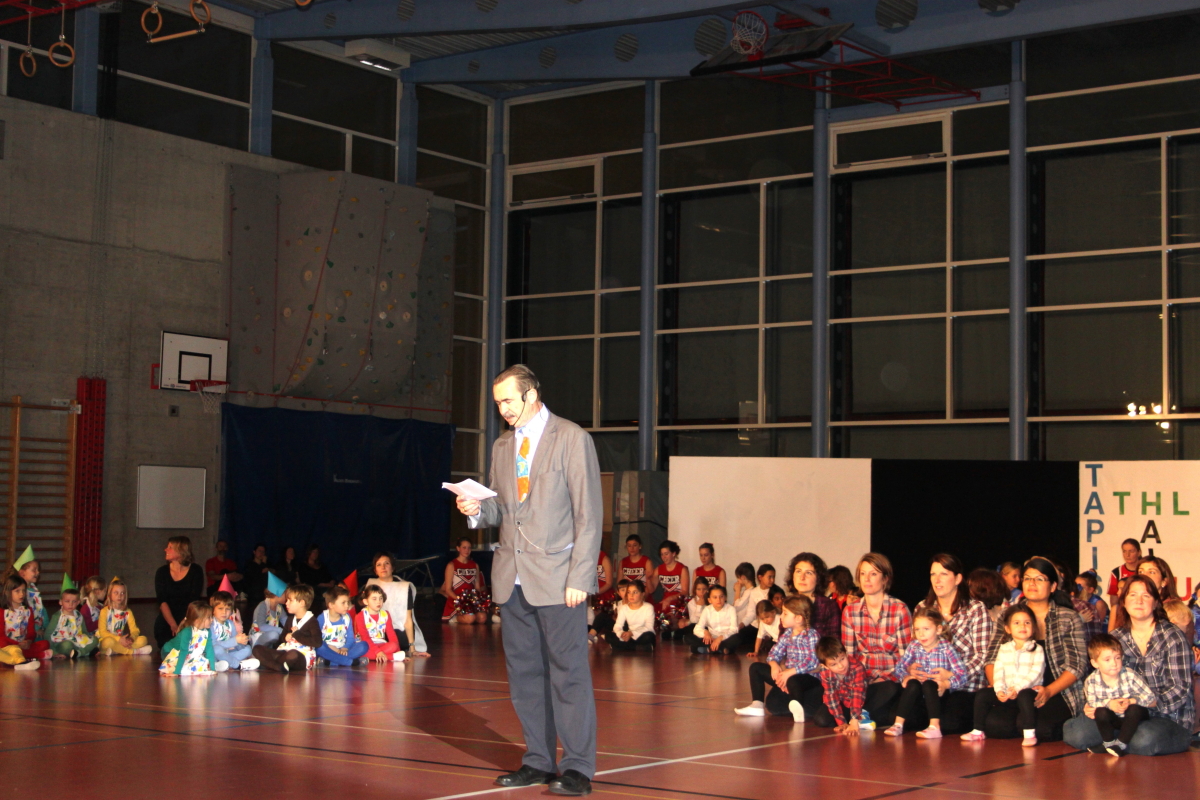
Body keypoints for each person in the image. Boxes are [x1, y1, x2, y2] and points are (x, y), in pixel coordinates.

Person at [455, 364, 603, 797]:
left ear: (531, 395)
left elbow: (589, 514)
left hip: (559, 579)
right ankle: (538, 760)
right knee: (524, 676)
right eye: (497, 403)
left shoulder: (571, 438)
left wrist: (580, 576)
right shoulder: (503, 446)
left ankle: (577, 767)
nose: (502, 409)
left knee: (568, 675)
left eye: (508, 400)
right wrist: (476, 510)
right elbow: (502, 509)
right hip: (512, 578)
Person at [1064, 575, 1195, 755]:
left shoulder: (1173, 637)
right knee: (1077, 733)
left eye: (1146, 596)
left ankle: (1117, 741)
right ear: (1124, 602)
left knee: (1144, 739)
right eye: (1133, 595)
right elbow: (1099, 678)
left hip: (1166, 717)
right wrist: (1095, 704)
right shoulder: (1116, 638)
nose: (1139, 601)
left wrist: (1146, 702)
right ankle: (1119, 740)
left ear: (1156, 603)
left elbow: (1179, 690)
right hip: (1121, 715)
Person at [980, 557, 1086, 742]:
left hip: (1055, 691)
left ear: (1053, 586)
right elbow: (991, 659)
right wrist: (1000, 689)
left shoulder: (1068, 618)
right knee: (996, 726)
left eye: (1040, 579)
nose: (1032, 583)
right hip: (1015, 689)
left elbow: (1077, 666)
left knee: (1040, 729)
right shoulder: (1009, 614)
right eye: (1028, 578)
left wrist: (1049, 691)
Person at [914, 554, 994, 735]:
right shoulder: (922, 608)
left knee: (950, 723)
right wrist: (914, 668)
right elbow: (916, 649)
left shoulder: (975, 609)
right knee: (907, 716)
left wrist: (952, 677)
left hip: (966, 687)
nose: (937, 580)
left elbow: (982, 656)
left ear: (958, 579)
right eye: (933, 574)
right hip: (931, 685)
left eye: (943, 574)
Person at [841, 553, 911, 729]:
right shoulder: (850, 612)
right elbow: (849, 657)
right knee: (823, 718)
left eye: (873, 574)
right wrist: (857, 682)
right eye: (863, 574)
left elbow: (907, 659)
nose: (867, 579)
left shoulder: (899, 610)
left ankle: (857, 714)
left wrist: (887, 678)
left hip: (892, 680)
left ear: (885, 578)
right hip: (863, 681)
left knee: (889, 689)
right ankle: (863, 714)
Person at [961, 605, 1044, 744]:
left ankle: (1029, 734)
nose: (1022, 626)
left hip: (1027, 691)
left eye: (1027, 622)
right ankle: (978, 730)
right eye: (1016, 623)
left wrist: (1017, 688)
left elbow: (1036, 673)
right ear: (1007, 629)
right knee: (982, 694)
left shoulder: (1037, 649)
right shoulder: (1004, 648)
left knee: (1025, 696)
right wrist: (999, 690)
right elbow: (999, 671)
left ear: (1033, 628)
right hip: (1007, 692)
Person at [735, 595, 821, 722]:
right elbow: (774, 653)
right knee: (756, 668)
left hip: (807, 678)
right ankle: (757, 704)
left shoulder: (811, 635)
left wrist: (789, 673)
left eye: (785, 614)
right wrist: (774, 665)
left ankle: (798, 708)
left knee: (793, 680)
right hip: (788, 676)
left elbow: (812, 661)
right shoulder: (787, 634)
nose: (781, 617)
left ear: (798, 618)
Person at [885, 607, 966, 739]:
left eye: (926, 629)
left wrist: (946, 683)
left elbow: (962, 674)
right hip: (919, 695)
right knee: (913, 683)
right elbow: (899, 667)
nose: (921, 634)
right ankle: (898, 724)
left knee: (929, 684)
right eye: (917, 630)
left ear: (938, 629)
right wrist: (906, 676)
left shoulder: (946, 648)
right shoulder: (914, 646)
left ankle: (934, 727)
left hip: (938, 693)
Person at [1081, 633, 1157, 757]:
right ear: (1095, 663)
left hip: (1133, 717)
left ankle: (1121, 744)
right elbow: (1092, 702)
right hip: (1115, 718)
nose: (1114, 663)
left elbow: (1151, 698)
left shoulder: (1130, 675)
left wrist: (1131, 701)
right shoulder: (1091, 681)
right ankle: (1108, 743)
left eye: (1117, 658)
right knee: (1100, 712)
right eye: (1107, 660)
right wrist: (1109, 704)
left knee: (1134, 709)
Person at [367, 553, 428, 656]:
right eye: (379, 565)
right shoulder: (371, 586)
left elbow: (408, 619)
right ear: (375, 570)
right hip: (376, 631)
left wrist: (412, 648)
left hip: (397, 629)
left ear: (392, 567)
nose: (383, 567)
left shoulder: (404, 587)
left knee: (398, 642)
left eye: (387, 563)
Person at [252, 584, 321, 673]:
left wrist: (297, 634)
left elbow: (317, 642)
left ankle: (273, 665)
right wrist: (285, 637)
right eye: (287, 600)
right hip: (285, 651)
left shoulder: (312, 621)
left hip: (302, 655)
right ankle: (279, 667)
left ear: (302, 603)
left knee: (293, 654)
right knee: (257, 649)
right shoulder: (290, 619)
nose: (286, 603)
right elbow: (281, 638)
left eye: (290, 600)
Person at [154, 536, 205, 649]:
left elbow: (194, 600)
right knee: (166, 644)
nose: (165, 549)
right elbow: (162, 601)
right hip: (168, 617)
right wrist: (173, 624)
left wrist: (184, 623)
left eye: (170, 547)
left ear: (181, 550)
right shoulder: (162, 572)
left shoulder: (196, 570)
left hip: (188, 616)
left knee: (191, 643)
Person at [816, 637, 870, 734]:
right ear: (825, 666)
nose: (841, 666)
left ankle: (860, 716)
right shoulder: (825, 672)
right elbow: (831, 696)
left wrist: (854, 721)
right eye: (833, 664)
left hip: (859, 702)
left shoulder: (857, 667)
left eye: (842, 659)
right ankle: (850, 719)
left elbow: (857, 694)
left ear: (846, 654)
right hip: (842, 701)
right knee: (821, 720)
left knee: (887, 689)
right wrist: (841, 722)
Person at [787, 552, 841, 639]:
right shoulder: (788, 604)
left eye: (808, 573)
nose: (802, 577)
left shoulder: (828, 606)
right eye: (798, 571)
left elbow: (834, 642)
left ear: (818, 578)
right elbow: (781, 640)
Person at [1, 574, 50, 665]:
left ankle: (18, 656)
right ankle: (35, 656)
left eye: (23, 590)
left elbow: (31, 632)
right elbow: (1, 636)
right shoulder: (2, 611)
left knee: (45, 644)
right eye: (17, 591)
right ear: (8, 592)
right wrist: (17, 644)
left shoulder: (28, 610)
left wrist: (28, 641)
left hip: (23, 646)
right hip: (8, 645)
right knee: (12, 648)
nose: (22, 594)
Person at [158, 601, 218, 676]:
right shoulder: (187, 631)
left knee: (200, 661)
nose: (212, 620)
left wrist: (212, 669)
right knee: (185, 666)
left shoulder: (207, 631)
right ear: (198, 620)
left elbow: (209, 650)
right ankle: (169, 668)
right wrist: (176, 672)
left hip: (187, 654)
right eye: (209, 617)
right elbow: (183, 652)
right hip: (170, 652)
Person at [316, 586, 368, 667]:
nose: (347, 606)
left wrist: (345, 648)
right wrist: (334, 649)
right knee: (319, 647)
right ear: (331, 605)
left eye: (348, 602)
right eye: (343, 603)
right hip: (329, 649)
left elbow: (350, 638)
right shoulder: (322, 618)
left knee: (363, 646)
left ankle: (330, 662)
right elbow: (317, 639)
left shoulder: (347, 617)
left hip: (343, 649)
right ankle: (350, 662)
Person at [440, 538, 489, 624]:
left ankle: (468, 615)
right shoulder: (451, 565)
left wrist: (476, 600)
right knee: (470, 619)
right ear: (458, 548)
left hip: (470, 601)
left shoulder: (475, 565)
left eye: (469, 548)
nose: (467, 550)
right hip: (456, 601)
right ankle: (454, 618)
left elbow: (477, 587)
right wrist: (461, 600)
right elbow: (448, 589)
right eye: (464, 547)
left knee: (482, 618)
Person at [99, 578, 152, 655]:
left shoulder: (127, 612)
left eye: (122, 593)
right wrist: (118, 639)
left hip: (122, 641)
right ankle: (132, 651)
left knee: (143, 639)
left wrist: (131, 638)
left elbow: (135, 630)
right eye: (116, 593)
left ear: (125, 595)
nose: (119, 596)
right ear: (109, 594)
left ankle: (117, 650)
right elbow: (102, 632)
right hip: (108, 640)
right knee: (108, 642)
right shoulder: (104, 611)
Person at [209, 591, 258, 671]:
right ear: (213, 610)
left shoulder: (230, 623)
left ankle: (225, 664)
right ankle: (238, 665)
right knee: (217, 649)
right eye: (220, 608)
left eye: (227, 609)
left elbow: (235, 642)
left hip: (227, 653)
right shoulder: (211, 623)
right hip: (215, 654)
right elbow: (213, 644)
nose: (224, 612)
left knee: (248, 649)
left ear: (231, 611)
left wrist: (242, 642)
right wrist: (235, 641)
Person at [357, 584, 406, 663]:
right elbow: (364, 637)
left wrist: (398, 651)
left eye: (380, 598)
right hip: (366, 645)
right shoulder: (360, 616)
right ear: (366, 601)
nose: (378, 602)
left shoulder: (386, 614)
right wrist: (378, 652)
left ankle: (379, 656)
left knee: (393, 645)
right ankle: (391, 657)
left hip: (381, 644)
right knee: (360, 650)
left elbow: (391, 634)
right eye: (374, 599)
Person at [48, 581, 97, 659]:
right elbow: (48, 634)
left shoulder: (79, 615)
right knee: (67, 645)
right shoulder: (57, 616)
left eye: (74, 602)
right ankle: (84, 652)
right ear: (60, 602)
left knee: (95, 639)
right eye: (67, 601)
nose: (70, 604)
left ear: (78, 602)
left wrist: (88, 639)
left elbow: (84, 631)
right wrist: (53, 652)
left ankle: (79, 653)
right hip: (62, 642)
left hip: (77, 640)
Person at [689, 584, 739, 655]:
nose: (718, 600)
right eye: (715, 597)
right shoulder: (707, 610)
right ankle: (721, 650)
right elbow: (697, 628)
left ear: (725, 598)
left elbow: (734, 629)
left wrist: (720, 638)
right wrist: (705, 632)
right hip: (711, 638)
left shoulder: (731, 609)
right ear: (709, 600)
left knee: (737, 638)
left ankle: (710, 649)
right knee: (688, 638)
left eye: (721, 596)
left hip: (725, 638)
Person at [606, 580, 655, 652]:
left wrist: (632, 633)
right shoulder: (624, 608)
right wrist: (622, 633)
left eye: (635, 592)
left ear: (642, 594)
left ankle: (621, 646)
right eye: (629, 592)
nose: (631, 595)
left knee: (648, 636)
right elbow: (618, 626)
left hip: (641, 635)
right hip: (629, 635)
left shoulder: (648, 607)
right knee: (608, 636)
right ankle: (637, 647)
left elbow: (649, 627)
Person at [12, 548, 47, 637]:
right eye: (34, 570)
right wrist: (35, 629)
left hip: (38, 629)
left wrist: (46, 625)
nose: (38, 572)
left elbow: (41, 609)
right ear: (22, 573)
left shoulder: (34, 589)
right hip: (25, 630)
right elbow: (23, 614)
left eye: (38, 569)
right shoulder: (20, 594)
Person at [648, 540, 688, 610]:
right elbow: (651, 590)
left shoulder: (682, 569)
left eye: (666, 554)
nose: (664, 557)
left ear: (673, 554)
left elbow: (685, 592)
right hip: (665, 602)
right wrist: (648, 579)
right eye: (662, 554)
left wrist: (670, 598)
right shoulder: (659, 569)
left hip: (679, 603)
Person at [251, 575, 287, 648]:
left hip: (268, 641)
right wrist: (280, 630)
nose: (287, 596)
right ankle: (255, 651)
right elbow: (262, 626)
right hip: (258, 637)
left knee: (275, 635)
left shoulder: (279, 608)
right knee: (274, 635)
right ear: (277, 594)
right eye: (285, 594)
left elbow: (286, 622)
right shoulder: (262, 606)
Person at [297, 545, 334, 612]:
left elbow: (329, 576)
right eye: (313, 552)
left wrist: (332, 581)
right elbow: (307, 580)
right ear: (309, 553)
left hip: (327, 587)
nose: (315, 554)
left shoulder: (321, 565)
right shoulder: (303, 566)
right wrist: (324, 585)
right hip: (313, 589)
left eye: (317, 552)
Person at [1075, 571, 1109, 641]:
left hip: (1101, 638)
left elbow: (1098, 625)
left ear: (1090, 589)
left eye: (1079, 587)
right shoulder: (1076, 601)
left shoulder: (1098, 603)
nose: (1076, 589)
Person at [1107, 539, 1141, 606]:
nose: (1127, 555)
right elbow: (1114, 602)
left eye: (1131, 551)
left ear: (1139, 552)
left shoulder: (1145, 570)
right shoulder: (1116, 572)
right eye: (1124, 551)